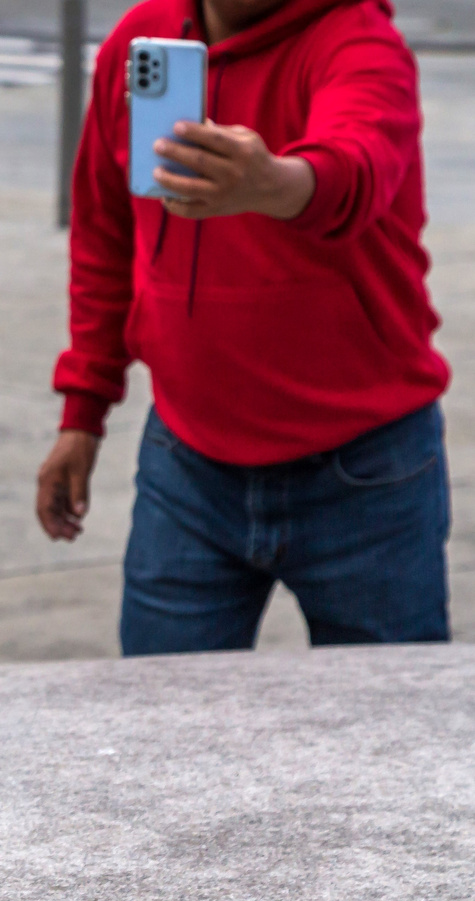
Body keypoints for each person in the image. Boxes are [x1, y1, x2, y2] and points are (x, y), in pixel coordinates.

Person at [36, 0, 451, 655]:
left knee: (387, 731)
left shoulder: (357, 39)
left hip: (363, 470)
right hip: (187, 461)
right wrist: (81, 412)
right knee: (164, 727)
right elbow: (104, 232)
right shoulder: (140, 39)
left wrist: (274, 184)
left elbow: (357, 164)